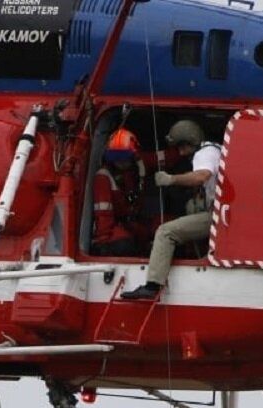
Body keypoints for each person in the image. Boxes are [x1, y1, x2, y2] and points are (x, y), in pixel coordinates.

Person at [120, 119, 222, 301]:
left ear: (191, 141)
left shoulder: (204, 154)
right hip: (220, 213)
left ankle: (152, 286)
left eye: (182, 147)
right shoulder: (215, 149)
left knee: (165, 231)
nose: (181, 153)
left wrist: (170, 179)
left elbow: (201, 176)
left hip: (216, 216)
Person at [89, 129, 151, 257]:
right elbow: (103, 214)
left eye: (124, 157)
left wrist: (179, 152)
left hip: (133, 220)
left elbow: (154, 159)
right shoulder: (104, 177)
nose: (121, 161)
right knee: (125, 243)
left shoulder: (132, 169)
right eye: (116, 157)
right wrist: (103, 243)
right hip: (115, 227)